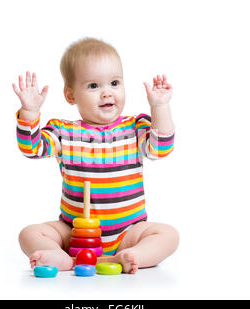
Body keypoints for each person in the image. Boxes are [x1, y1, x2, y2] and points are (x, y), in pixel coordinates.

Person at [13, 38, 179, 274]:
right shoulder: (64, 131)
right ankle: (61, 257)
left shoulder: (136, 128)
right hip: (74, 232)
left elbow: (161, 147)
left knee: (168, 235)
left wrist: (160, 107)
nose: (106, 93)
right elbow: (32, 148)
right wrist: (29, 112)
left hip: (128, 232)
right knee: (29, 234)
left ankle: (133, 255)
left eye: (114, 83)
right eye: (93, 86)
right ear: (70, 95)